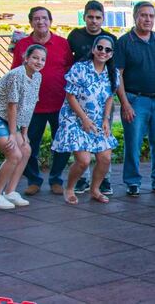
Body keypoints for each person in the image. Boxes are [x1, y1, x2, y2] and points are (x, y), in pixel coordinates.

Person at [115, 2, 155, 197]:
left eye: (151, 16)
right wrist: (125, 104)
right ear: (135, 17)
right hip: (135, 100)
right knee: (133, 143)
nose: (148, 19)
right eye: (143, 15)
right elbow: (118, 75)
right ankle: (132, 182)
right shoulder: (124, 42)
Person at [12, 7, 74, 196]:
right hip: (31, 106)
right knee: (28, 145)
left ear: (50, 21)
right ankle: (34, 180)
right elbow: (15, 72)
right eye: (36, 19)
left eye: (44, 18)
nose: (41, 22)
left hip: (60, 104)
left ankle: (56, 179)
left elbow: (69, 70)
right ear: (31, 22)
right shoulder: (22, 45)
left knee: (62, 144)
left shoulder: (62, 43)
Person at [51, 36, 119, 205]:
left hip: (97, 119)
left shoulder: (113, 73)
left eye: (107, 50)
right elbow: (70, 96)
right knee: (84, 161)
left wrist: (106, 119)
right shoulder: (80, 68)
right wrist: (84, 119)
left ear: (111, 54)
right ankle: (69, 188)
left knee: (105, 158)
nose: (103, 52)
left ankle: (95, 190)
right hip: (74, 118)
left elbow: (110, 97)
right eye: (100, 48)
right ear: (94, 49)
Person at [0, 44, 44, 209]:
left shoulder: (37, 77)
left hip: (6, 117)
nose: (39, 62)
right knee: (14, 154)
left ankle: (10, 192)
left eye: (43, 59)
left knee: (25, 149)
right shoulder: (16, 75)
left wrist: (24, 133)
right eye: (35, 57)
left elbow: (28, 106)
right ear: (26, 58)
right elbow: (12, 106)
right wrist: (13, 135)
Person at [67, 0, 117, 196]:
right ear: (84, 17)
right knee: (83, 154)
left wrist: (105, 117)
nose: (94, 21)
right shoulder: (75, 37)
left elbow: (112, 87)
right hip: (78, 107)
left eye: (98, 17)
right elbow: (67, 66)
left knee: (104, 149)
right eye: (90, 17)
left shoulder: (111, 40)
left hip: (101, 107)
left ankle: (102, 182)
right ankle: (80, 181)